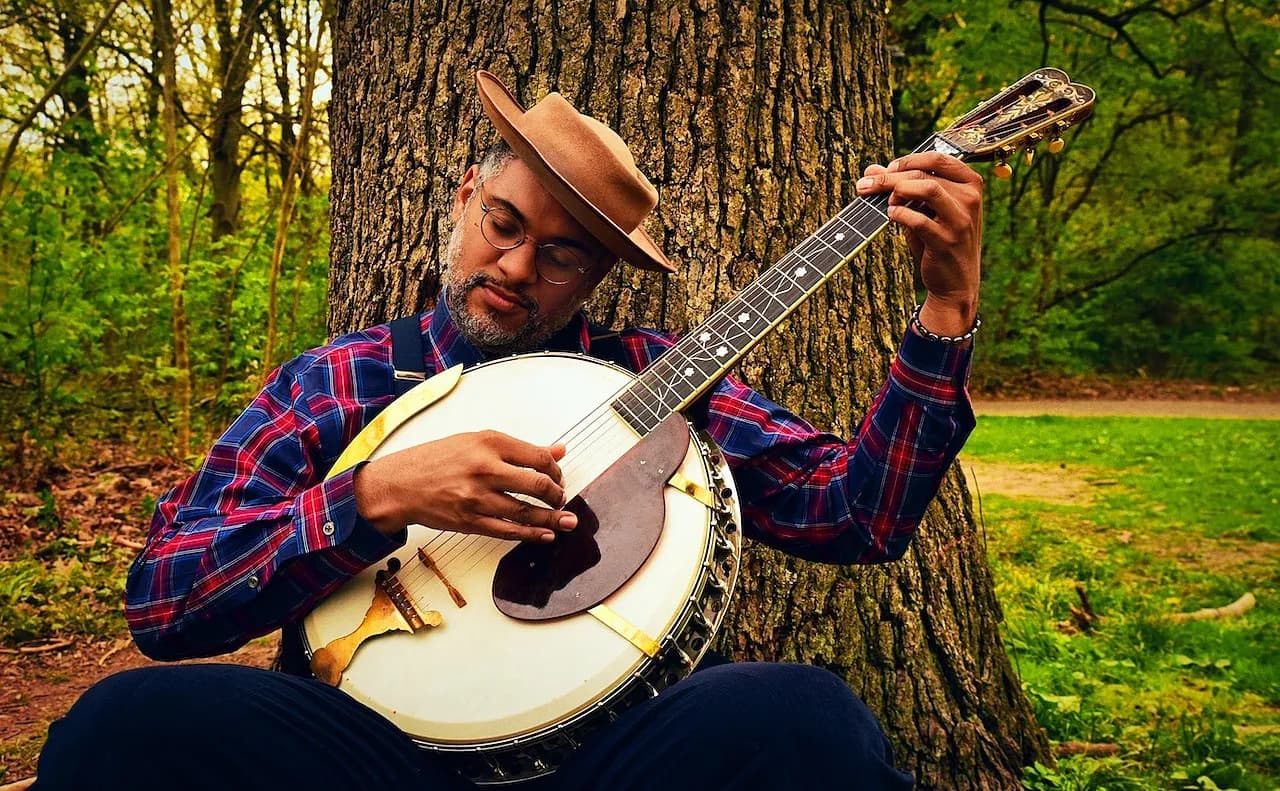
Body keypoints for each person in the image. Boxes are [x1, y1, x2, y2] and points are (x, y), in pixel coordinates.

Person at [32, 70, 983, 790]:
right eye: (503, 223)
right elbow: (164, 599)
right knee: (123, 723)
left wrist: (945, 312)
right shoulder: (339, 380)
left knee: (808, 719)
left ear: (597, 278)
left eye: (562, 256)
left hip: (605, 756)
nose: (519, 267)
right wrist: (375, 495)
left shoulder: (654, 380)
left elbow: (855, 513)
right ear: (463, 199)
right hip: (366, 754)